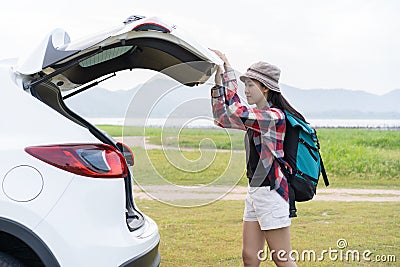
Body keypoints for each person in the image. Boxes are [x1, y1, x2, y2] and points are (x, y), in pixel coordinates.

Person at [210, 49, 303, 267]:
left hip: (272, 192)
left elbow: (237, 110)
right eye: (245, 84)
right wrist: (218, 82)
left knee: (281, 258)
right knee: (250, 257)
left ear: (266, 89)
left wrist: (228, 70)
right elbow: (222, 118)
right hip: (255, 191)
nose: (246, 89)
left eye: (251, 85)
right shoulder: (257, 119)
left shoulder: (273, 117)